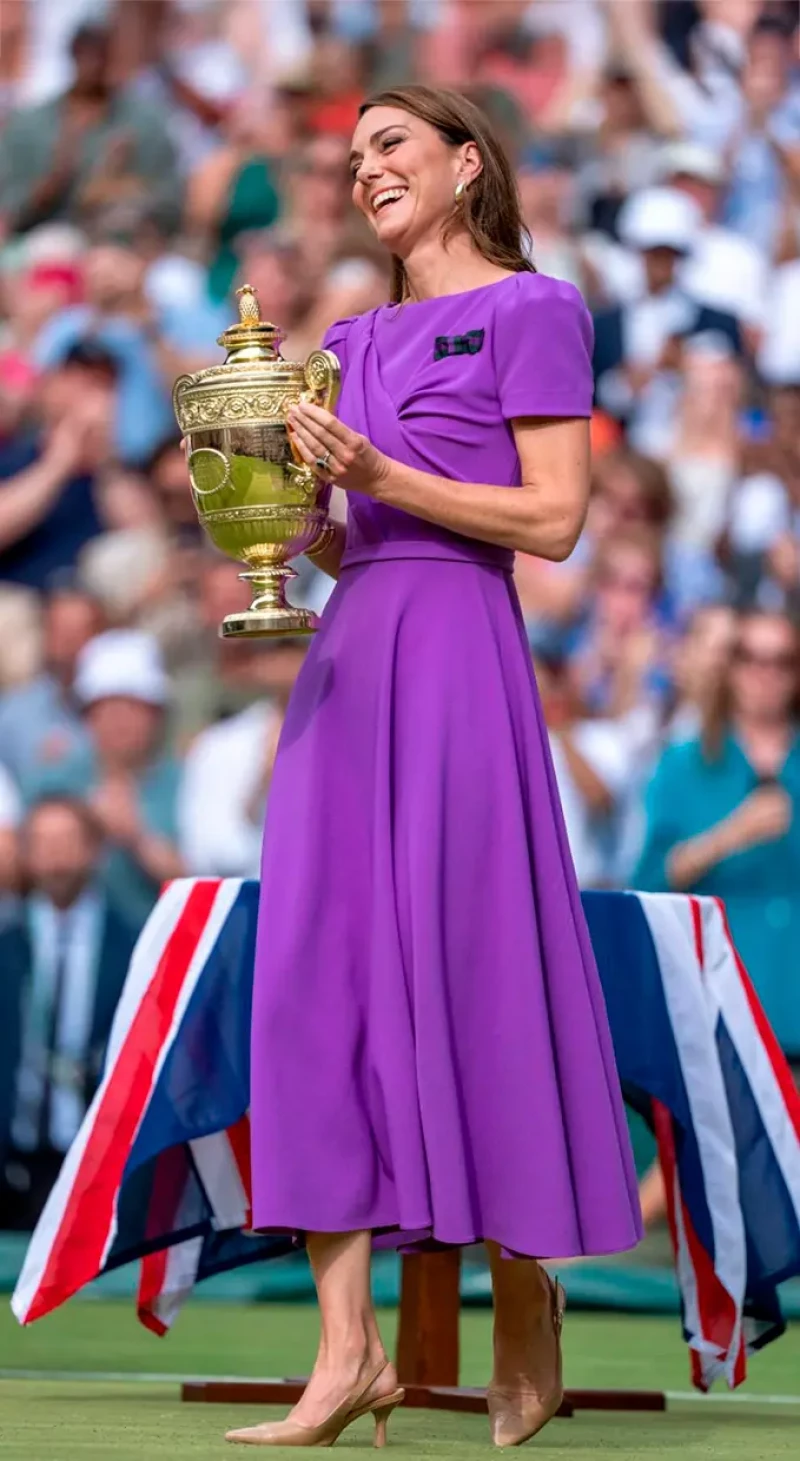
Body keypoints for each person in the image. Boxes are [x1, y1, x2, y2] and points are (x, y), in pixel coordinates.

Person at [229, 84, 641, 1451]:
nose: (366, 172)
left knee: (473, 969)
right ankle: (346, 1354)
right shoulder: (343, 340)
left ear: (468, 163)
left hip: (464, 655)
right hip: (350, 660)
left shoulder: (537, 309)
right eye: (352, 159)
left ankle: (525, 1302)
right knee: (309, 980)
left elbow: (557, 521)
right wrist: (276, 501)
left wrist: (383, 481)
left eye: (392, 146)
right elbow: (349, 536)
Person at [635, 609, 800, 1062]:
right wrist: (728, 836)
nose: (766, 675)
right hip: (723, 1023)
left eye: (782, 660)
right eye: (750, 657)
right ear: (730, 667)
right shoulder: (684, 764)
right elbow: (648, 881)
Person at [0, 795, 137, 1231]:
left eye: (67, 840)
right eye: (42, 841)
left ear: (96, 849)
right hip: (14, 1154)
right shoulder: (8, 942)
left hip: (96, 1153)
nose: (55, 855)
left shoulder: (133, 942)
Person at [29, 629, 184, 929]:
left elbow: (203, 883)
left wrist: (137, 838)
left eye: (132, 708)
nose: (118, 722)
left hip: (160, 946)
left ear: (157, 715)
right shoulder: (54, 780)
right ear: (86, 716)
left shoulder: (185, 781)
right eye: (105, 709)